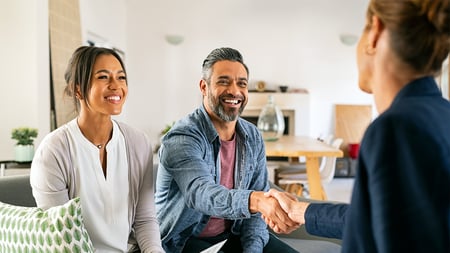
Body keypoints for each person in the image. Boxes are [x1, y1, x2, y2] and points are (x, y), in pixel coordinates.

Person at [265, 0, 450, 252]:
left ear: (375, 31)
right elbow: (381, 219)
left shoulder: (396, 129)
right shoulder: (442, 114)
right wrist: (300, 211)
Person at [155, 47, 300, 253]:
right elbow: (201, 193)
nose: (234, 91)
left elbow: (255, 216)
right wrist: (255, 200)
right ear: (204, 87)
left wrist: (253, 249)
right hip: (184, 240)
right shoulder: (182, 137)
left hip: (233, 233)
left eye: (242, 83)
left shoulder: (252, 136)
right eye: (223, 81)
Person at [30, 46, 164, 253]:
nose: (116, 86)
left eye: (121, 77)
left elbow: (145, 219)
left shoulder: (138, 143)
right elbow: (61, 236)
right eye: (103, 77)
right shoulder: (53, 151)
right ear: (77, 90)